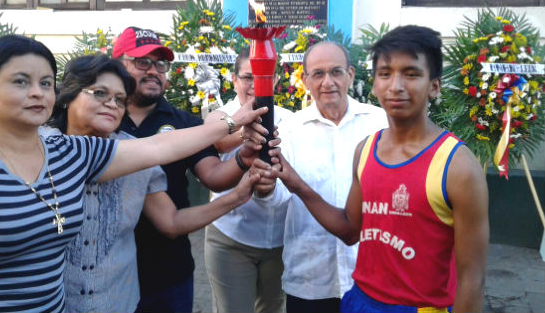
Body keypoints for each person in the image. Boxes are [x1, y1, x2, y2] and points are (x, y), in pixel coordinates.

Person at [0, 35, 266, 313]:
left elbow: (158, 149)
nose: (37, 92)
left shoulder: (71, 153)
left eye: (45, 83)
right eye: (21, 81)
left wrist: (235, 123)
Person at [271, 25, 489, 312]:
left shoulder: (457, 166)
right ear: (374, 84)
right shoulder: (366, 150)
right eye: (385, 74)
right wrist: (295, 183)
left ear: (434, 85)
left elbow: (471, 280)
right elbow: (350, 230)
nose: (396, 86)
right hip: (360, 301)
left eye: (411, 74)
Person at [47, 54, 269, 313]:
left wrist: (239, 194)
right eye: (99, 93)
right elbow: (157, 147)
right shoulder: (43, 147)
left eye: (119, 99)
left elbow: (171, 221)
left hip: (121, 300)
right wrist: (232, 123)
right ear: (68, 95)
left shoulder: (135, 148)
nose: (111, 104)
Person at [113, 27, 274, 313]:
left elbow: (212, 176)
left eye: (160, 64)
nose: (153, 71)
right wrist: (233, 124)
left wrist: (242, 161)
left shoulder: (183, 122)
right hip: (109, 272)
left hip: (168, 271)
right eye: (142, 62)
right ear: (117, 65)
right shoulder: (103, 121)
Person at [253, 41, 389, 313]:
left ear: (350, 74)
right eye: (318, 74)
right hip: (310, 278)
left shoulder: (380, 123)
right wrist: (265, 189)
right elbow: (279, 197)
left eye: (336, 72)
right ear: (304, 80)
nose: (328, 82)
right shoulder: (289, 130)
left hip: (370, 274)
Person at [202, 48, 292, 313]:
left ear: (275, 81)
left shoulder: (291, 119)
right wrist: (247, 129)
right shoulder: (220, 116)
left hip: (278, 239)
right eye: (247, 77)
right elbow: (217, 137)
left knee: (271, 308)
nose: (255, 85)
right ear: (234, 80)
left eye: (264, 77)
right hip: (231, 238)